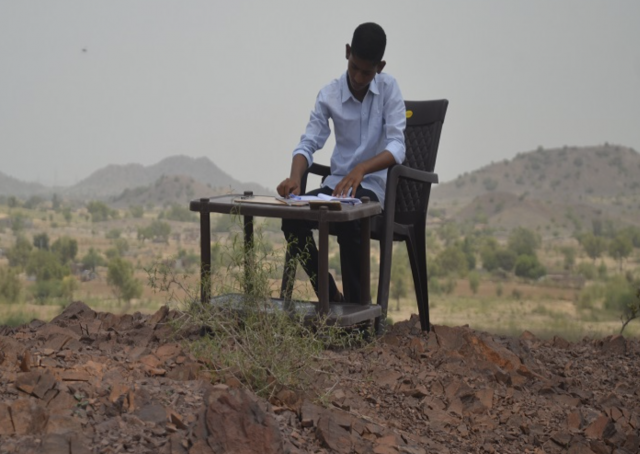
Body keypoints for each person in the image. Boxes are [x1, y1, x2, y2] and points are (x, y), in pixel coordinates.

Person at [277, 22, 406, 304]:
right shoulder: (329, 94)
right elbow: (308, 143)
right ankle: (330, 295)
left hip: (371, 189)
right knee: (291, 218)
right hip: (336, 188)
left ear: (380, 67)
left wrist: (362, 169)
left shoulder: (389, 89)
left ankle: (357, 312)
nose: (358, 77)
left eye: (367, 72)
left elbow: (397, 145)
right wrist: (295, 178)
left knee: (351, 218)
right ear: (347, 52)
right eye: (354, 67)